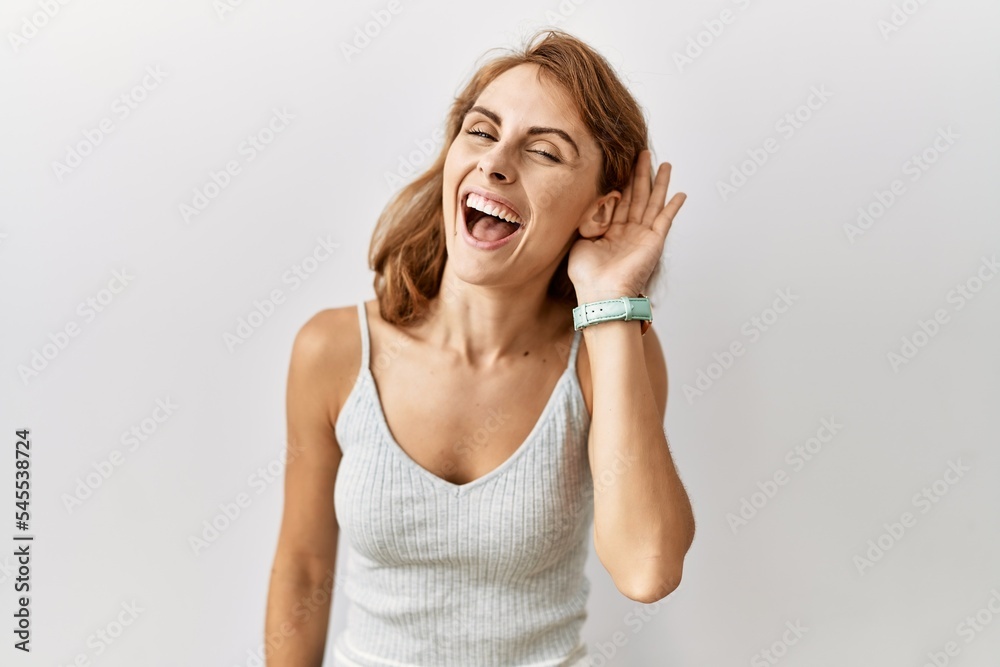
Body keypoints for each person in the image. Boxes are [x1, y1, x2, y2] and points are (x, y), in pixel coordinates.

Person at [265, 28, 696, 667]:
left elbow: (647, 568)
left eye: (543, 151)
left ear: (598, 212)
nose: (496, 162)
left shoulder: (605, 356)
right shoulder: (333, 349)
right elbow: (302, 566)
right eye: (482, 131)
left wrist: (608, 299)